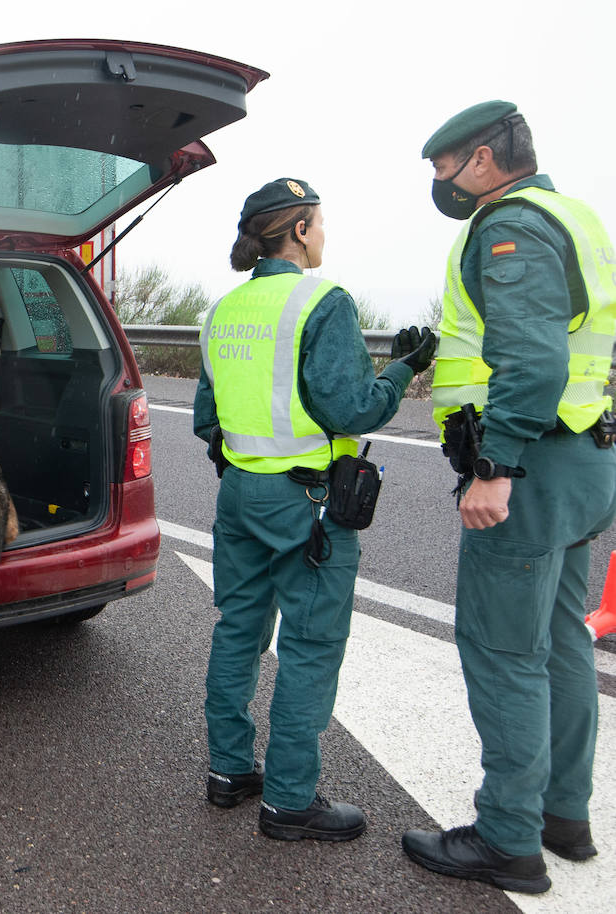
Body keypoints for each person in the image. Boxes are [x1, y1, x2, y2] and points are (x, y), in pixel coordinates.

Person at [402, 102, 616, 895]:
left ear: (485, 160)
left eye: (443, 167)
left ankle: (507, 840)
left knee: (504, 653)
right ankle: (565, 816)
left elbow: (530, 359)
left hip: (531, 468)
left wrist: (495, 464)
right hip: (585, 459)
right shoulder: (577, 215)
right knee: (560, 641)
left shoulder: (512, 228)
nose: (439, 183)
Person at [194, 179, 435, 842]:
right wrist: (401, 370)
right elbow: (350, 408)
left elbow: (206, 419)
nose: (324, 233)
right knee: (309, 645)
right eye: (320, 223)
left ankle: (229, 773)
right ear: (299, 230)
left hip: (239, 495)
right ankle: (291, 801)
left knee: (238, 629)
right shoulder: (324, 302)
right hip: (307, 503)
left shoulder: (222, 312)